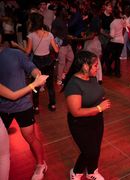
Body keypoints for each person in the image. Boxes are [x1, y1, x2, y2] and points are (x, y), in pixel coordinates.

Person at [0, 44, 47, 179]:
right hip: (2, 108)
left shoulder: (14, 54)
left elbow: (31, 68)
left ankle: (41, 165)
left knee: (30, 137)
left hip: (22, 105)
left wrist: (38, 77)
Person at [63, 51, 111, 180]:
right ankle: (76, 172)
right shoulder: (73, 85)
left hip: (97, 119)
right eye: (95, 65)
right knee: (90, 151)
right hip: (80, 124)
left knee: (96, 148)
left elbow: (93, 93)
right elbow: (76, 112)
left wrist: (100, 101)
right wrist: (99, 107)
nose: (98, 68)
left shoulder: (92, 77)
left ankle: (92, 172)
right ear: (85, 67)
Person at [11, 12, 58, 114]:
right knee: (50, 84)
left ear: (32, 23)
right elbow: (56, 50)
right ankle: (53, 104)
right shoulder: (49, 34)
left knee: (35, 84)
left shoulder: (31, 35)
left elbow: (27, 51)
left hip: (37, 61)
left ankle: (36, 107)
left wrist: (17, 46)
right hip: (49, 60)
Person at [70, 4, 103, 84]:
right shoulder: (98, 19)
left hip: (91, 44)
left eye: (90, 10)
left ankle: (93, 79)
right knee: (97, 61)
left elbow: (91, 36)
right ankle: (99, 78)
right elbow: (97, 33)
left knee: (90, 62)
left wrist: (79, 39)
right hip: (96, 42)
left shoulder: (94, 21)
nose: (88, 11)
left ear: (93, 11)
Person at [52, 6, 74, 85]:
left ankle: (64, 73)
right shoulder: (56, 22)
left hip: (67, 44)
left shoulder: (65, 20)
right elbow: (53, 34)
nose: (67, 12)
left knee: (71, 58)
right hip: (61, 45)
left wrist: (68, 37)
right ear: (61, 12)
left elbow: (66, 31)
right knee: (62, 63)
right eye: (65, 11)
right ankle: (59, 79)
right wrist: (61, 39)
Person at [100, 8, 124, 78]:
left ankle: (109, 70)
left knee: (105, 53)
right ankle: (117, 72)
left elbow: (111, 36)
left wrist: (103, 33)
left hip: (114, 41)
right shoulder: (121, 21)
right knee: (117, 57)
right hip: (121, 41)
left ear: (113, 15)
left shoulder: (113, 23)